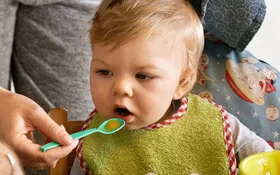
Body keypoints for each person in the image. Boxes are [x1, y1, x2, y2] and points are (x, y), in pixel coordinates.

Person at [69, 0, 273, 174]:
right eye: (104, 72)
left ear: (182, 82)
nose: (121, 87)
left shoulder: (215, 124)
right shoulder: (92, 142)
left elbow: (268, 162)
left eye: (143, 76)